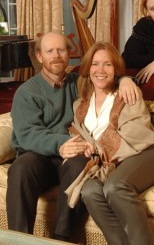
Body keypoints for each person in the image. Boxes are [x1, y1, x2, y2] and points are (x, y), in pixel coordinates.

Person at [6, 31, 140, 244]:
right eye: (50, 51)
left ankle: (61, 239)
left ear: (69, 54)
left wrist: (125, 79)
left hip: (73, 157)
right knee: (21, 167)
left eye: (61, 49)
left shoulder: (79, 83)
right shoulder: (26, 92)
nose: (56, 55)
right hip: (39, 157)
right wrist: (60, 145)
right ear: (40, 57)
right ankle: (17, 239)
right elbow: (27, 134)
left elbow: (105, 77)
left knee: (80, 165)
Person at [65, 42, 154, 245]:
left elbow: (138, 134)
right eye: (95, 64)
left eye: (107, 65)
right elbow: (78, 135)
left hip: (145, 154)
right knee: (89, 190)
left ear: (116, 70)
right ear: (87, 69)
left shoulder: (127, 93)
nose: (100, 70)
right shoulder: (80, 105)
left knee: (115, 187)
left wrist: (98, 148)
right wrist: (84, 147)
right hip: (110, 165)